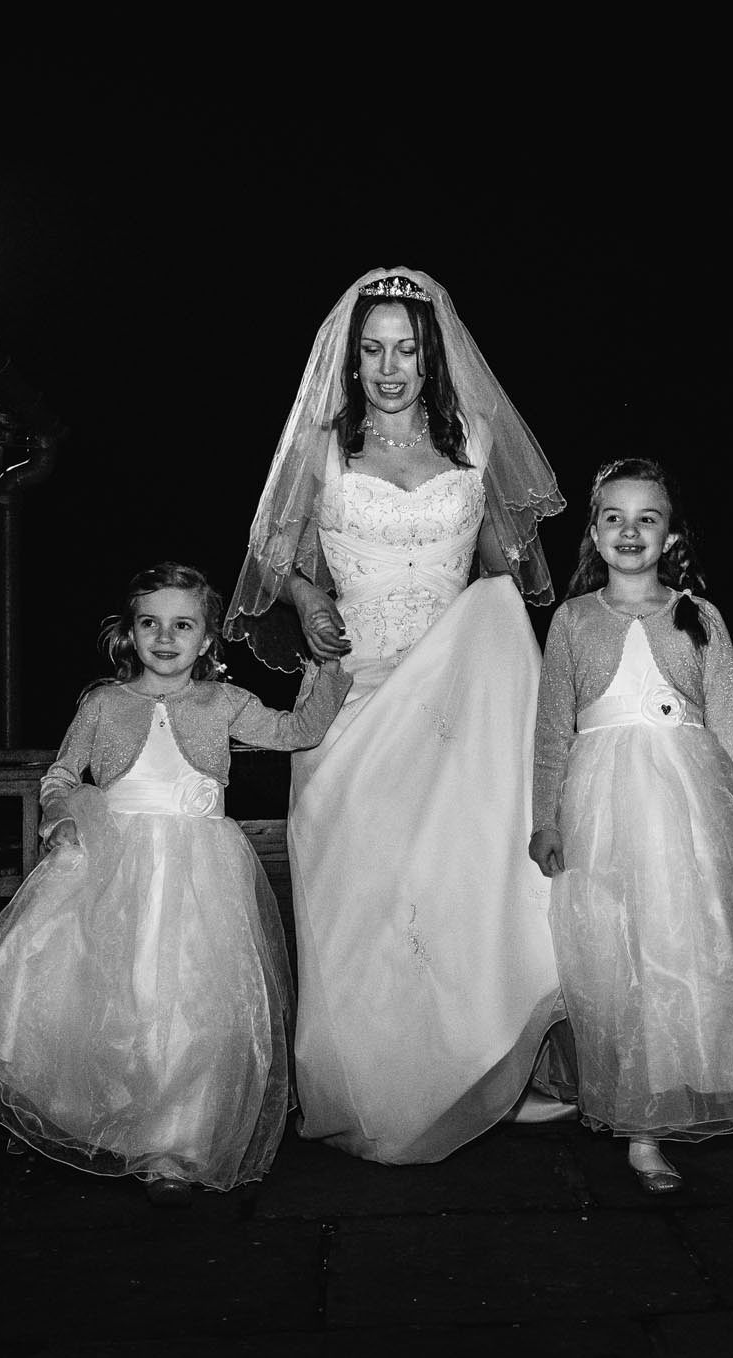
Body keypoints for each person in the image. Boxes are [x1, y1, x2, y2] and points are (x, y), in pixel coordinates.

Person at [225, 267, 569, 1165]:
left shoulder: (475, 445)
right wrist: (306, 601)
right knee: (365, 897)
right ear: (350, 359)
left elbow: (500, 574)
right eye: (372, 349)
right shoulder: (322, 450)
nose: (388, 367)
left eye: (405, 349)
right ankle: (369, 1083)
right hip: (354, 695)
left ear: (433, 357)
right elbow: (279, 556)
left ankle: (486, 1072)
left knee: (462, 888)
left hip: (454, 701)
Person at [0, 564, 351, 1201]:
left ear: (206, 640)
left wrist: (325, 670)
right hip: (115, 864)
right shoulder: (103, 705)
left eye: (183, 625)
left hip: (201, 869)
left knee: (196, 996)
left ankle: (179, 1142)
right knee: (114, 993)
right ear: (130, 634)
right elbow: (60, 773)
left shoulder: (225, 703)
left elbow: (298, 731)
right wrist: (60, 817)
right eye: (150, 624)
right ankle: (104, 1122)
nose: (165, 638)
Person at [529, 458, 733, 1194]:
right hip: (603, 805)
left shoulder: (700, 615)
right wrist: (545, 817)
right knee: (617, 954)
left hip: (688, 806)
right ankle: (633, 1109)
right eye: (614, 518)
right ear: (593, 533)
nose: (630, 532)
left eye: (647, 519)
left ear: (670, 535)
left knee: (682, 945)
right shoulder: (572, 621)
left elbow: (728, 724)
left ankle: (653, 1124)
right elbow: (550, 732)